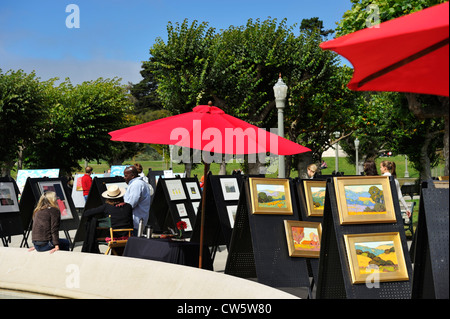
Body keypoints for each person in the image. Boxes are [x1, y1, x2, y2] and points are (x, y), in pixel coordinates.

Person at [82, 185, 133, 253]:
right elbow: (131, 224)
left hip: (113, 237)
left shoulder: (106, 207)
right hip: (127, 236)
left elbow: (86, 213)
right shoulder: (128, 206)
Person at [123, 165, 153, 234]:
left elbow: (131, 203)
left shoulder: (137, 184)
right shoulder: (139, 183)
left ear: (132, 176)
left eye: (126, 176)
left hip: (136, 222)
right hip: (138, 221)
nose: (124, 178)